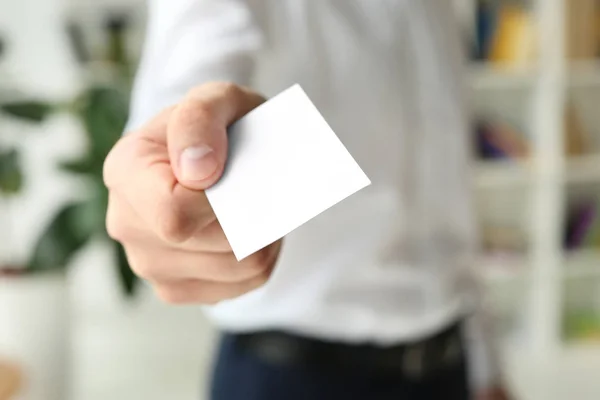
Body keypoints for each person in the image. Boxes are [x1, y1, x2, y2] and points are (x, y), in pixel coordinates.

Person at [103, 1, 512, 399]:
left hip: (448, 366)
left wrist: (486, 363)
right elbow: (186, 79)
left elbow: (450, 198)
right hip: (288, 375)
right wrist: (164, 164)